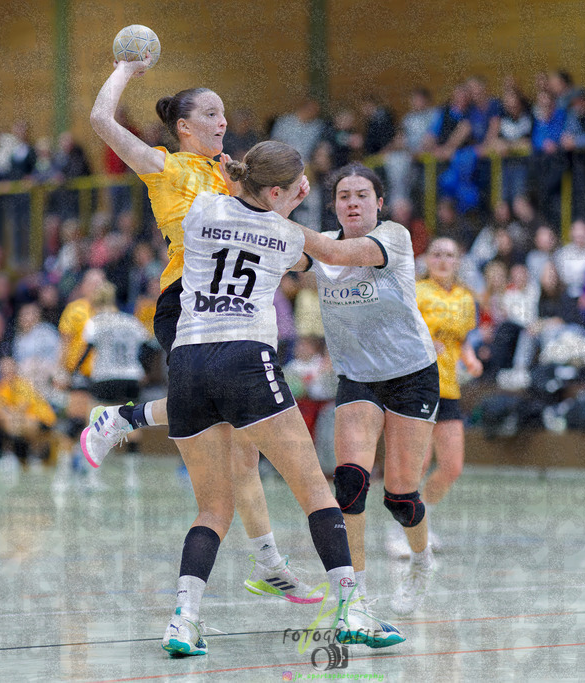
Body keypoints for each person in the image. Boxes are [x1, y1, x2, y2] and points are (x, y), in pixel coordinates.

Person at [85, 56, 319, 604]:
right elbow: (100, 120)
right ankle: (122, 417)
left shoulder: (231, 172)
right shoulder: (166, 167)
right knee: (225, 421)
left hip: (236, 306)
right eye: (210, 115)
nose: (222, 122)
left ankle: (269, 565)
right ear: (184, 126)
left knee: (242, 447)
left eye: (223, 115)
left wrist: (292, 194)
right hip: (185, 301)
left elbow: (273, 212)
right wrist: (125, 70)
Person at [160, 141, 403, 654]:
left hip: (186, 361)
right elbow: (321, 255)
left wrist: (239, 183)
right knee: (316, 489)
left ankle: (183, 620)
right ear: (279, 192)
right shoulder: (285, 233)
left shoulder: (202, 207)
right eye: (295, 189)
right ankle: (352, 608)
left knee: (212, 510)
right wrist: (287, 207)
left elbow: (232, 200)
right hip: (245, 357)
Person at [299, 163, 439, 616]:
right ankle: (353, 596)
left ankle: (421, 559)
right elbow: (284, 255)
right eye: (343, 196)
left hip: (411, 372)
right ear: (334, 205)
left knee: (400, 495)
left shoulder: (392, 237)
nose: (352, 202)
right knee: (351, 482)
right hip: (357, 376)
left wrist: (276, 219)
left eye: (361, 195)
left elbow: (332, 255)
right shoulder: (321, 243)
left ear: (378, 203)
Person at [385, 237, 482, 556]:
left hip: (449, 388)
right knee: (418, 461)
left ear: (458, 261)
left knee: (452, 466)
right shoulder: (417, 291)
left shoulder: (467, 298)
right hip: (417, 385)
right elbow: (399, 331)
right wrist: (424, 343)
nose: (442, 260)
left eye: (449, 255)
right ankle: (401, 529)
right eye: (436, 254)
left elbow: (462, 341)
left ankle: (420, 518)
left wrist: (471, 359)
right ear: (426, 259)